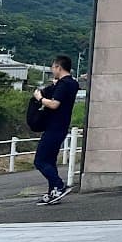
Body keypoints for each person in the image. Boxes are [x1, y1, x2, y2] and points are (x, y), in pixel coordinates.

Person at [31, 55, 79, 205]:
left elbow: (54, 104)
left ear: (59, 67)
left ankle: (58, 185)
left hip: (54, 126)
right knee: (50, 160)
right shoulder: (72, 83)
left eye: (53, 68)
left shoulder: (63, 85)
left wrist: (40, 98)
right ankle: (53, 192)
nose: (52, 71)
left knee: (40, 160)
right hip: (62, 126)